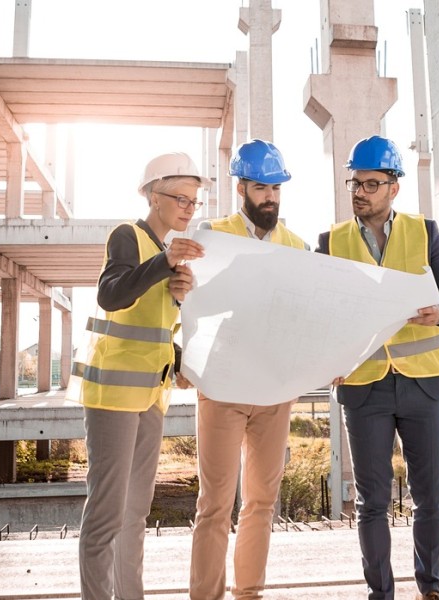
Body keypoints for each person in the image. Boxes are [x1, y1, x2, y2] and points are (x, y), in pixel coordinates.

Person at [316, 135, 439, 600]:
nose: (360, 191)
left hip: (422, 385)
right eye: (355, 183)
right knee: (372, 503)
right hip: (364, 389)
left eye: (370, 183)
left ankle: (430, 588)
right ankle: (380, 593)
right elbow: (318, 312)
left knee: (430, 497)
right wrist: (327, 358)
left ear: (393, 188)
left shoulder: (424, 232)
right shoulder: (331, 241)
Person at [70, 152, 207, 600]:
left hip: (151, 395)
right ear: (152, 195)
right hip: (112, 394)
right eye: (180, 197)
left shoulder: (168, 255)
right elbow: (111, 296)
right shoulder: (128, 236)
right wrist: (163, 266)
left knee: (135, 514)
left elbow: (154, 331)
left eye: (194, 200)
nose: (188, 206)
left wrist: (180, 359)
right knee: (107, 514)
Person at [189, 139, 309, 600]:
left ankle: (250, 593)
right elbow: (189, 304)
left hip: (275, 390)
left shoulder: (296, 246)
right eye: (262, 187)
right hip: (222, 386)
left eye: (277, 188)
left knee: (260, 502)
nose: (271, 197)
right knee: (214, 504)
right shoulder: (212, 235)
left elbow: (310, 312)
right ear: (242, 187)